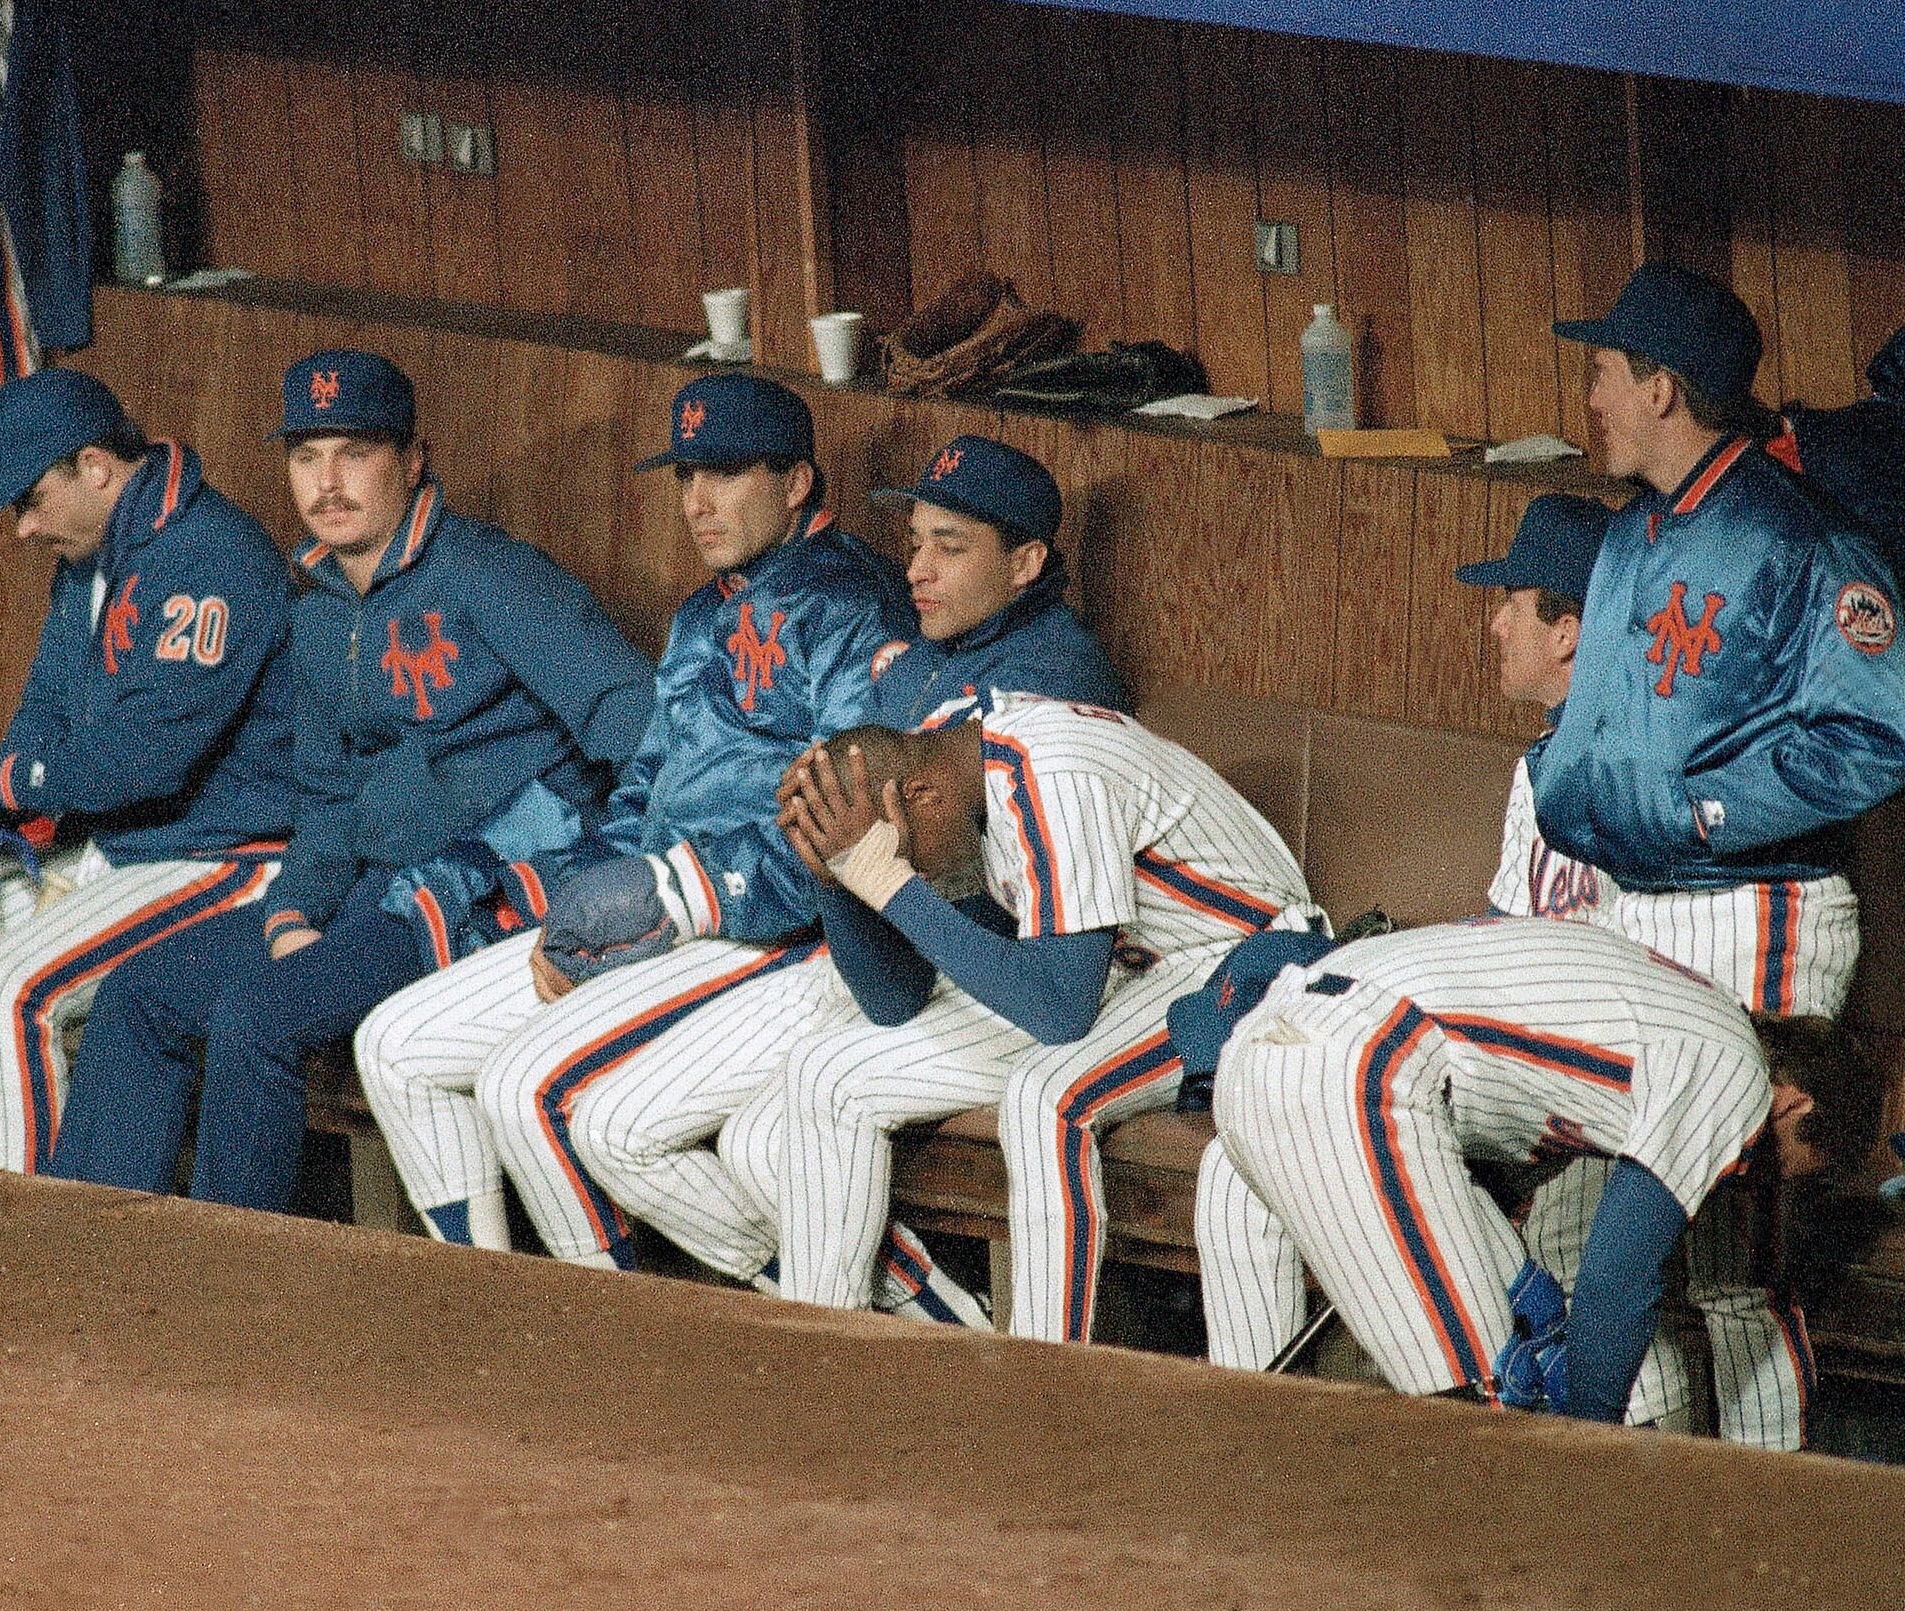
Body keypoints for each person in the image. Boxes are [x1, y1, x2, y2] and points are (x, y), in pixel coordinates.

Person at [47, 351, 656, 1213]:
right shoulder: (322, 608)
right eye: (305, 457)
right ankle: (95, 1260)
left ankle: (236, 1277)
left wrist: (609, 871)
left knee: (258, 1015)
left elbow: (636, 721)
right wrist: (297, 908)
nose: (326, 483)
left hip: (468, 898)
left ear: (411, 461)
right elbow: (328, 798)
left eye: (354, 453)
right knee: (139, 996)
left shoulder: (489, 574)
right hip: (367, 892)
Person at [560, 434, 1127, 1316]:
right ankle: (923, 1323)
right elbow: (892, 982)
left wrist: (864, 872)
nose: (918, 569)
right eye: (914, 542)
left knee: (770, 1110)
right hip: (930, 964)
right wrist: (832, 861)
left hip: (1053, 979)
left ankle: (830, 1351)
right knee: (746, 1142)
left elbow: (1027, 960)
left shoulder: (1049, 686)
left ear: (1025, 561)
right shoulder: (927, 662)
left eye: (951, 545)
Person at [353, 372, 912, 1264]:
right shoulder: (701, 616)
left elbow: (850, 818)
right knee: (394, 1045)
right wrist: (581, 906)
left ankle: (644, 1327)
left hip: (769, 932)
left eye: (724, 475)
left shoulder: (853, 607)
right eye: (686, 477)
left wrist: (660, 896)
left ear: (796, 482)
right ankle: (492, 1304)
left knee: (529, 1089)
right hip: (657, 911)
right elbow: (641, 788)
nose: (698, 502)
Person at [1534, 262, 1905, 1445]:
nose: (1589, 393)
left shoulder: (1803, 537)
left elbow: (1875, 737)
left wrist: (1702, 813)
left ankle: (1778, 1539)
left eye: (1604, 370)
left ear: (1661, 384)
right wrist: (1572, 803)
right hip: (1631, 910)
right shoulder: (1628, 538)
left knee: (1729, 1262)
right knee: (1589, 1239)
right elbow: (1589, 727)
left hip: (1754, 907)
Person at [732, 695, 1319, 1342]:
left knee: (1044, 1097)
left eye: (897, 857)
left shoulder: (1054, 773)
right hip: (1125, 961)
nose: (909, 872)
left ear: (922, 795)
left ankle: (1042, 1369)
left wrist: (890, 883)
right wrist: (838, 879)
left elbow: (1058, 1009)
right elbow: (892, 998)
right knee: (827, 1072)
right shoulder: (943, 764)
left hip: (1237, 955)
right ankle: (823, 1351)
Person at [0, 368, 294, 1172]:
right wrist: (7, 815)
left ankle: (36, 1253)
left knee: (15, 990)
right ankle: (0, 1184)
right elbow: (48, 707)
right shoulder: (94, 552)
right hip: (124, 849)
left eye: (30, 499)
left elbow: (145, 759)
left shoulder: (211, 555)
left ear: (97, 466)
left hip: (227, 854)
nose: (21, 527)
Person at [1204, 915, 1886, 1422]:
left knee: (1526, 1323)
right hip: (1358, 1066)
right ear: (1795, 1101)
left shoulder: (1667, 1005)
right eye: (1785, 1164)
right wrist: (1587, 1445)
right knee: (1495, 1411)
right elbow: (1616, 1279)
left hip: (1273, 1052)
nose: (1752, 1178)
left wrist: (1523, 1295)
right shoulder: (1732, 1068)